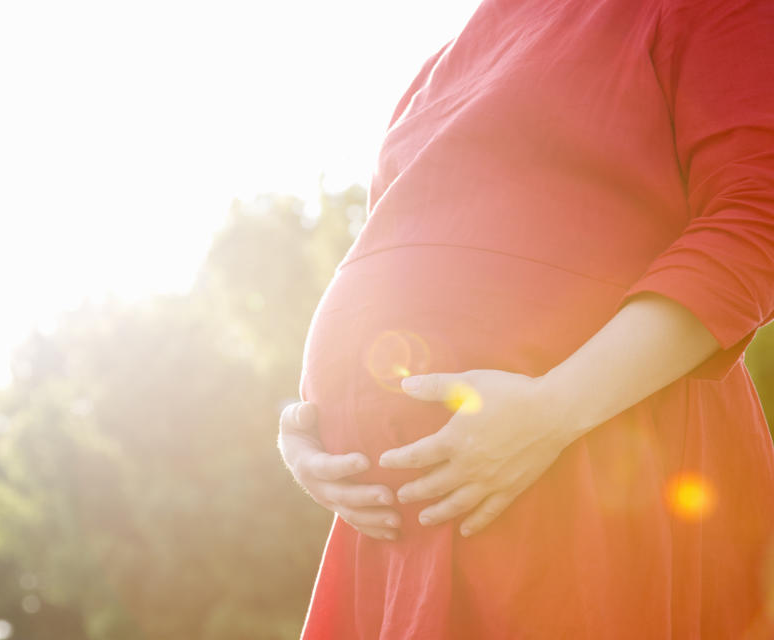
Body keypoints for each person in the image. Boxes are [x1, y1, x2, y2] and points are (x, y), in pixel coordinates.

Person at [277, 0, 774, 637]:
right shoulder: (445, 60)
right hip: (397, 531)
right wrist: (311, 427)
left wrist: (555, 409)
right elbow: (393, 262)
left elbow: (757, 218)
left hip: (583, 474)